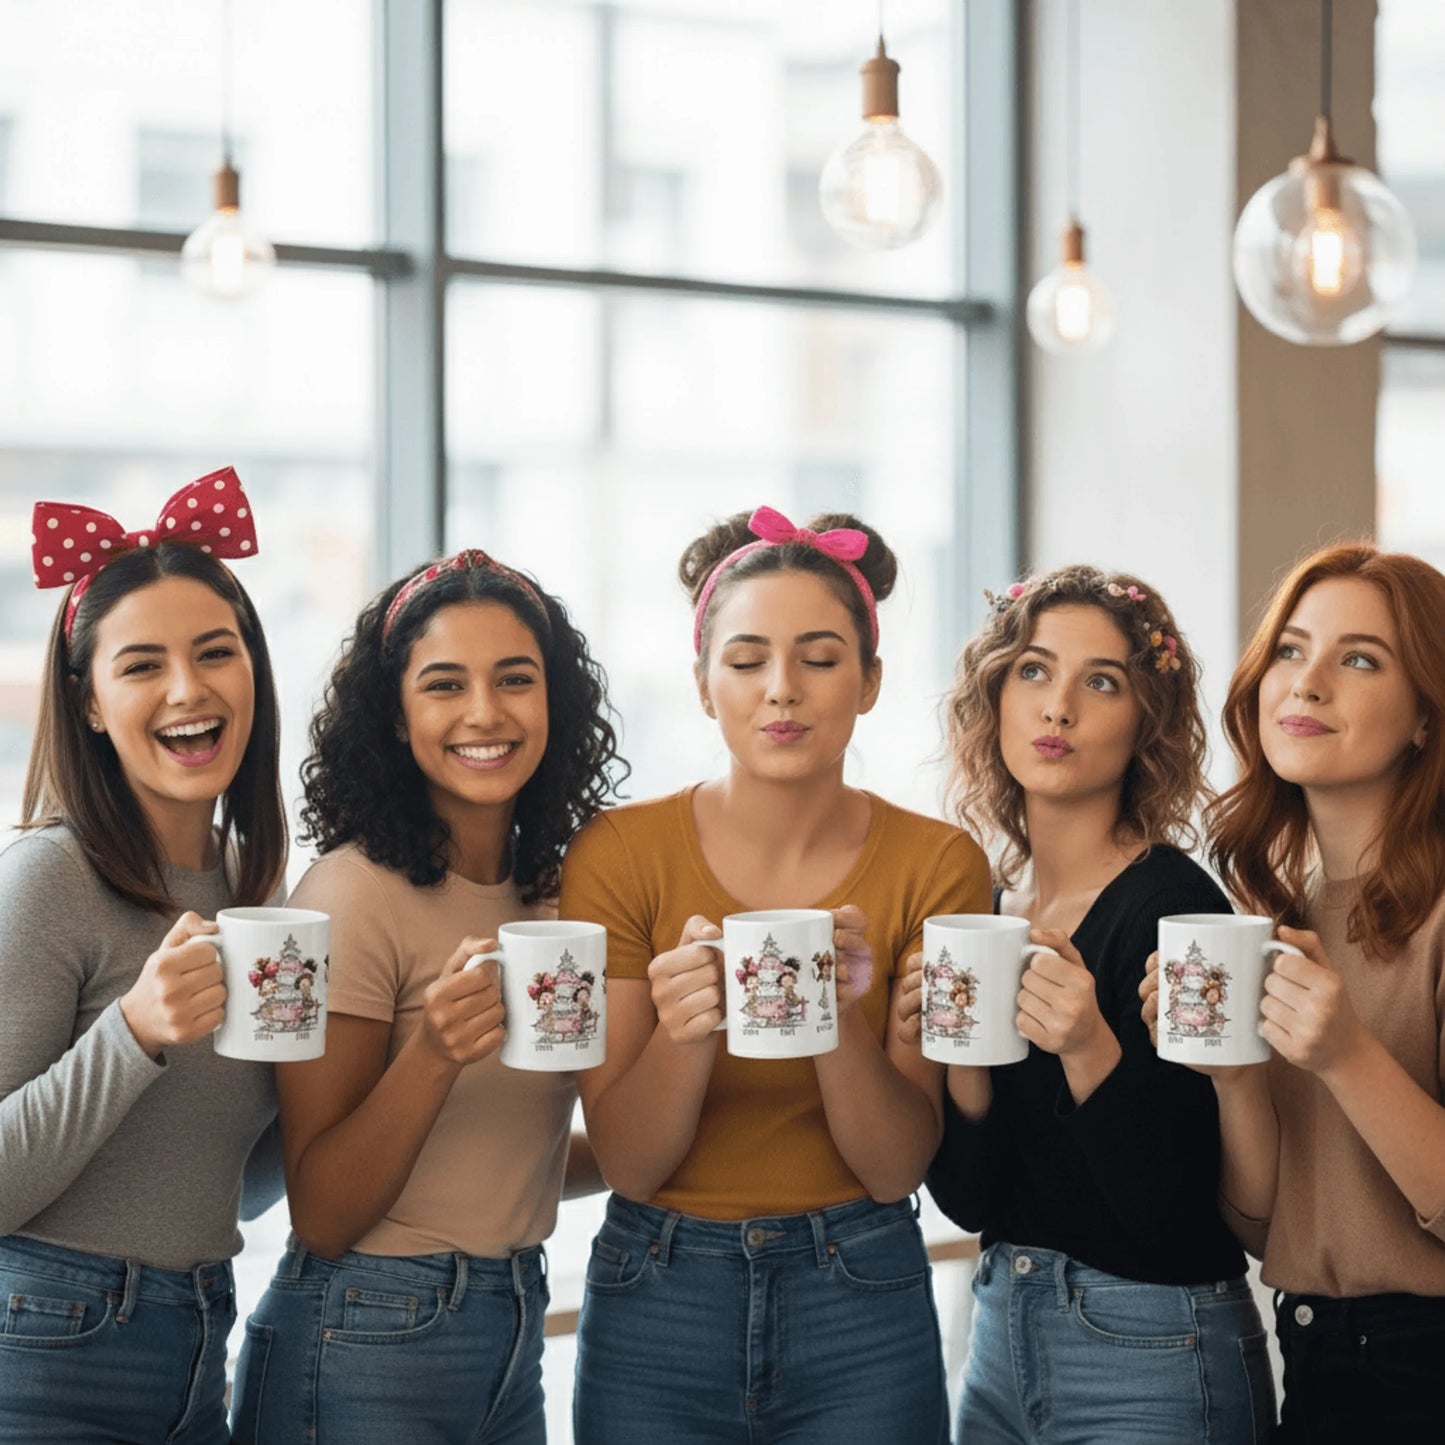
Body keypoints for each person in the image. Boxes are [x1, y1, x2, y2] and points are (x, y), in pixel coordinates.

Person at [560, 506, 991, 1445]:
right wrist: (687, 1030)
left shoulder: (941, 864)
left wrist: (835, 1015)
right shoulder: (617, 855)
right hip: (656, 1292)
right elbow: (630, 1163)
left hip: (862, 1287)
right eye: (747, 659)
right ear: (704, 683)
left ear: (870, 681)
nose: (781, 691)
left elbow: (894, 1166)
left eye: (821, 657)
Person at [232, 548, 626, 1445]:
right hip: (365, 1331)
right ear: (395, 715)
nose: (485, 712)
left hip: (511, 1321)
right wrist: (436, 1053)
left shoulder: (557, 896)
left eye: (515, 679)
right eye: (444, 684)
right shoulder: (350, 895)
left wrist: (668, 1123)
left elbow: (499, 1163)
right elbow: (323, 1209)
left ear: (554, 702)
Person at [911, 565, 1274, 1443]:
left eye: (1099, 682)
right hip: (1000, 1335)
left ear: (1145, 722)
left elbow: (1175, 1216)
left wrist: (1088, 1048)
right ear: (993, 694)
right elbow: (969, 1201)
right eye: (1033, 670)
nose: (1057, 706)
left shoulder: (1177, 912)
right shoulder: (993, 908)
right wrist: (957, 1054)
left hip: (1152, 1345)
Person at [0, 471, 287, 1444]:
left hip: (199, 1330)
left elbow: (217, 1176)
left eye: (217, 651)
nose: (187, 689)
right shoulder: (52, 875)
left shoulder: (251, 889)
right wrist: (134, 1031)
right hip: (48, 1339)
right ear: (87, 702)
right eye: (141, 664)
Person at [1142, 543, 1445, 1444]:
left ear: (1425, 715)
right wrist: (1233, 1075)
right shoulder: (1278, 915)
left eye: (1357, 658)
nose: (1304, 683)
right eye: (1288, 649)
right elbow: (1266, 1220)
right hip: (1314, 1355)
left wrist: (1345, 1055)